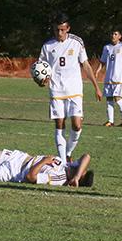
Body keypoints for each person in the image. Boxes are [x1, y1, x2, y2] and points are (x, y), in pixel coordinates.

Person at [38, 13, 102, 165]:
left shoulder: (77, 42)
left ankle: (67, 153)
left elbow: (85, 65)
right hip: (56, 90)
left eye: (62, 30)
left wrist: (96, 87)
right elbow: (40, 68)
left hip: (75, 89)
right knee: (59, 124)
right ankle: (63, 163)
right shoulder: (47, 46)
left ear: (68, 28)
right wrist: (41, 81)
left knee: (77, 125)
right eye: (56, 30)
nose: (59, 33)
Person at [0, 149, 94, 187]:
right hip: (17, 157)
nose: (81, 166)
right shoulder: (69, 166)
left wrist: (43, 162)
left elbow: (30, 178)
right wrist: (77, 173)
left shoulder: (59, 179)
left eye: (82, 171)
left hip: (13, 173)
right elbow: (87, 156)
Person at [95, 29, 122, 127]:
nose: (113, 36)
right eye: (112, 34)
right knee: (109, 99)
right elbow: (102, 61)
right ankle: (110, 121)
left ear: (120, 36)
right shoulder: (106, 47)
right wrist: (98, 70)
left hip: (119, 78)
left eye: (115, 34)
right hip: (108, 78)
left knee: (117, 98)